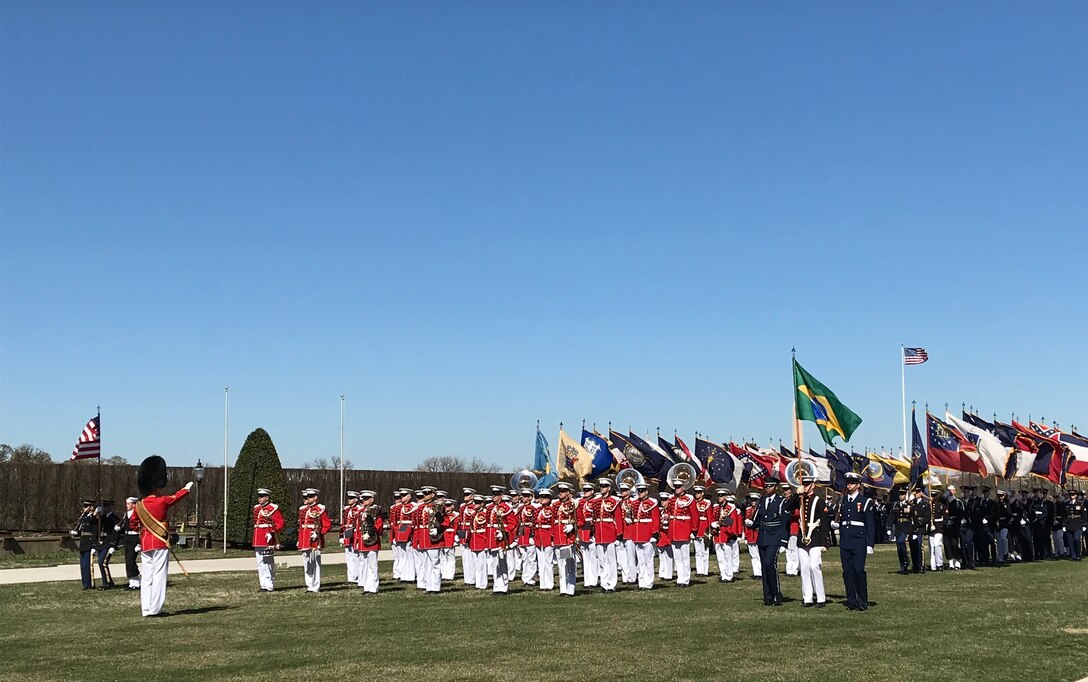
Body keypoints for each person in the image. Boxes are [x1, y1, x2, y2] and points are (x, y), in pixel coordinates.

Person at [134, 455, 192, 617]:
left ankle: (146, 609)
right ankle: (156, 609)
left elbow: (133, 523)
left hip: (145, 543)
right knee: (159, 575)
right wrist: (186, 489)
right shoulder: (161, 501)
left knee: (146, 577)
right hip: (159, 542)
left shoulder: (139, 505)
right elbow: (176, 497)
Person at [831, 472, 876, 612]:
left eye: (852, 483)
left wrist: (870, 544)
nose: (849, 485)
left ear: (858, 485)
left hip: (859, 540)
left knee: (858, 571)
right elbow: (839, 517)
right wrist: (835, 523)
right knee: (847, 572)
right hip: (845, 540)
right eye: (848, 483)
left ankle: (862, 600)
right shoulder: (842, 501)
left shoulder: (865, 502)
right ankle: (851, 600)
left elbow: (870, 524)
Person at [746, 478, 795, 606]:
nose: (768, 488)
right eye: (766, 486)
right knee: (764, 567)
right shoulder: (762, 501)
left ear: (776, 487)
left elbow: (785, 522)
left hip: (775, 536)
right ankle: (767, 596)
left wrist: (784, 542)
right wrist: (751, 524)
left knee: (770, 564)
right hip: (762, 537)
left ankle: (776, 593)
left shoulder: (781, 501)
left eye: (770, 486)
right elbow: (759, 518)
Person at [794, 475, 831, 607]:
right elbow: (787, 507)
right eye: (803, 484)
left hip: (815, 537)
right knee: (804, 568)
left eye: (807, 484)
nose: (805, 486)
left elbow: (825, 522)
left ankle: (821, 597)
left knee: (814, 566)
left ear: (813, 485)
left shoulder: (819, 501)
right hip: (802, 538)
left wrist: (826, 541)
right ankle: (807, 597)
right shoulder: (799, 499)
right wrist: (796, 494)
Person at [297, 488, 332, 593]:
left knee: (315, 562)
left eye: (311, 496)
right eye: (308, 497)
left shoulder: (320, 509)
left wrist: (318, 533)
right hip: (304, 538)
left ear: (315, 497)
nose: (309, 498)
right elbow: (301, 526)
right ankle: (309, 585)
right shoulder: (303, 509)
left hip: (315, 539)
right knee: (306, 562)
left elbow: (327, 525)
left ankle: (315, 586)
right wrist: (299, 539)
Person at [628, 483, 660, 590]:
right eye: (639, 491)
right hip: (637, 535)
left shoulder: (652, 503)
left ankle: (649, 582)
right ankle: (642, 582)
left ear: (647, 492)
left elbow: (656, 519)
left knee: (648, 560)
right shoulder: (635, 503)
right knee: (640, 561)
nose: (640, 493)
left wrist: (654, 534)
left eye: (642, 491)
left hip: (647, 535)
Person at [485, 485, 516, 594]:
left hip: (501, 538)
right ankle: (497, 586)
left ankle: (503, 587)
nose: (494, 496)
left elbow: (513, 523)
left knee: (501, 562)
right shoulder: (489, 507)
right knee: (494, 564)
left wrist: (504, 532)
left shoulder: (506, 507)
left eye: (497, 494)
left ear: (501, 495)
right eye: (493, 494)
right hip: (491, 538)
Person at [252, 488, 285, 592]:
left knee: (268, 562)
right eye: (259, 496)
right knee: (260, 563)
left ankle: (269, 585)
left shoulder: (272, 508)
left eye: (262, 497)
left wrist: (271, 533)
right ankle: (263, 585)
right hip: (258, 537)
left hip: (267, 538)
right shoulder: (257, 508)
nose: (259, 499)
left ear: (267, 498)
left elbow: (280, 523)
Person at [593, 479, 623, 592]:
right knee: (601, 560)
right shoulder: (596, 501)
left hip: (610, 532)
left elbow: (618, 518)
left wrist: (619, 535)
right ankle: (604, 583)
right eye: (601, 486)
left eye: (604, 486)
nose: (602, 488)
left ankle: (612, 584)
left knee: (611, 560)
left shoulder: (614, 501)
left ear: (609, 488)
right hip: (599, 533)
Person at [666, 480, 697, 587]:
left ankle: (686, 579)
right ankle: (680, 578)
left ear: (684, 487)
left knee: (685, 557)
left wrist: (694, 530)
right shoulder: (671, 499)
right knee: (677, 557)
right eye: (675, 486)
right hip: (674, 529)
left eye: (678, 486)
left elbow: (694, 515)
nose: (676, 488)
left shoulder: (689, 499)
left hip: (684, 529)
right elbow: (669, 512)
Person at [354, 490, 384, 593]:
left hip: (372, 540)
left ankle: (373, 588)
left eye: (366, 499)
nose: (364, 501)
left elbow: (379, 524)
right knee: (365, 565)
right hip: (363, 540)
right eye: (363, 499)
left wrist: (370, 533)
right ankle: (367, 587)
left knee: (372, 565)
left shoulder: (376, 510)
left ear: (372, 499)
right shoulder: (362, 511)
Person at [552, 483, 578, 596]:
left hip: (567, 538)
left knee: (569, 565)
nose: (561, 493)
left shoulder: (573, 504)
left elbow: (580, 520)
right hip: (558, 538)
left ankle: (570, 588)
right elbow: (553, 521)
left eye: (563, 491)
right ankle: (563, 589)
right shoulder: (556, 505)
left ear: (568, 493)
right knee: (561, 565)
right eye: (560, 491)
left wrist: (573, 525)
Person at [710, 490, 742, 583]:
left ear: (726, 497)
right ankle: (723, 574)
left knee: (728, 556)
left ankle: (729, 575)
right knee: (720, 557)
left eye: (722, 495)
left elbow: (731, 522)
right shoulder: (716, 507)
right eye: (719, 495)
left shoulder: (731, 507)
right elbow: (713, 518)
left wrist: (722, 523)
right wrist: (713, 524)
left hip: (726, 534)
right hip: (717, 535)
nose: (719, 497)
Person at [70, 499, 99, 590]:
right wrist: (76, 532)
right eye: (84, 506)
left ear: (91, 508)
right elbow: (82, 529)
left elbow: (95, 531)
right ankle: (85, 583)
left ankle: (89, 584)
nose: (84, 508)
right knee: (83, 565)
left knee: (87, 565)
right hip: (83, 542)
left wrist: (94, 545)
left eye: (86, 506)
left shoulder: (94, 518)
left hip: (89, 542)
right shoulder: (85, 518)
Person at [576, 483, 599, 589]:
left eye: (588, 490)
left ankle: (593, 580)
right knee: (585, 557)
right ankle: (587, 580)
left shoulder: (596, 502)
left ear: (592, 491)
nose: (586, 492)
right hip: (582, 530)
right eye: (584, 490)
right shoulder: (579, 502)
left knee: (593, 557)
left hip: (592, 529)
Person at [116, 497, 142, 589]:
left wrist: (139, 543)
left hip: (134, 538)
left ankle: (137, 580)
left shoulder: (138, 514)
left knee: (131, 560)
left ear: (134, 505)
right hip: (127, 538)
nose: (126, 505)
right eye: (126, 504)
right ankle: (132, 582)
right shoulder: (126, 514)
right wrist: (120, 528)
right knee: (128, 561)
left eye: (128, 504)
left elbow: (141, 529)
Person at [534, 489, 556, 591]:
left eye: (545, 497)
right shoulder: (538, 510)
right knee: (541, 561)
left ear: (549, 499)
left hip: (547, 536)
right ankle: (542, 584)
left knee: (548, 561)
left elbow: (553, 524)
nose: (542, 499)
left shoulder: (552, 510)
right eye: (541, 497)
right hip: (539, 537)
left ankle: (549, 583)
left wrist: (552, 537)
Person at [515, 489, 538, 586]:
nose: (523, 498)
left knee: (531, 558)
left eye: (526, 496)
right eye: (523, 496)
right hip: (522, 533)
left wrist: (533, 535)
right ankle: (525, 578)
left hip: (529, 533)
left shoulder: (533, 508)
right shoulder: (520, 508)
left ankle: (531, 578)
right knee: (524, 557)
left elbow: (535, 521)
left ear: (530, 497)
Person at [96, 500, 120, 589]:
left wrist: (113, 544)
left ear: (110, 507)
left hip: (109, 542)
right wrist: (95, 514)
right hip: (102, 542)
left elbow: (116, 533)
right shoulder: (102, 518)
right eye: (103, 506)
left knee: (103, 562)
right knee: (101, 563)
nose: (104, 508)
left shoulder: (115, 519)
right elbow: (96, 526)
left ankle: (107, 583)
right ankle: (106, 582)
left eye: (106, 506)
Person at [618, 483, 638, 585]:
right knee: (622, 557)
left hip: (630, 531)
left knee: (631, 556)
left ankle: (633, 577)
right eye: (622, 490)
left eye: (625, 490)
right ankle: (625, 577)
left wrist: (631, 519)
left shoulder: (633, 502)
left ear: (629, 491)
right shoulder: (619, 502)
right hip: (621, 532)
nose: (623, 492)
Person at [692, 485, 713, 577]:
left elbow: (709, 517)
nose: (697, 494)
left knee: (704, 551)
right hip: (696, 529)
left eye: (698, 492)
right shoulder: (692, 503)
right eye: (696, 493)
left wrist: (709, 531)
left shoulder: (706, 503)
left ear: (702, 493)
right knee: (697, 551)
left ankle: (705, 570)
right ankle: (699, 570)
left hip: (704, 528)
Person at [340, 491, 360, 585]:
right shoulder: (346, 509)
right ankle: (351, 577)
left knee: (356, 555)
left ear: (356, 499)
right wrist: (341, 535)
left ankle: (356, 576)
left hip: (355, 533)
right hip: (347, 533)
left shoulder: (358, 509)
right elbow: (343, 523)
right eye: (349, 498)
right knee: (348, 555)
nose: (349, 500)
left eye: (351, 498)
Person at [908, 488, 928, 573]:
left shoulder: (925, 504)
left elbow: (926, 517)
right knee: (913, 547)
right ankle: (915, 565)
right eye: (915, 492)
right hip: (913, 528)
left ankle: (921, 565)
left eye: (917, 492)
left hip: (920, 528)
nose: (916, 494)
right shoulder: (913, 504)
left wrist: (919, 523)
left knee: (919, 545)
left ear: (921, 493)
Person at [743, 492, 762, 579]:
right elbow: (746, 525)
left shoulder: (760, 509)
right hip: (751, 534)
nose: (753, 502)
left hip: (758, 534)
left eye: (755, 500)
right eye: (752, 500)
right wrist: (746, 536)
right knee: (753, 555)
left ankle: (761, 572)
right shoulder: (748, 509)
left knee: (759, 555)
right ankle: (756, 572)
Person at [1064, 489, 1086, 561]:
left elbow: (1083, 515)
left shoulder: (1080, 504)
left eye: (1073, 495)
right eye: (1070, 495)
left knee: (1077, 539)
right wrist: (1064, 525)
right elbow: (1064, 515)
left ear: (1076, 495)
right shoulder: (1067, 504)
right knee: (1070, 541)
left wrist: (1084, 524)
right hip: (1069, 524)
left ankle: (1078, 554)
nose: (1071, 496)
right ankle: (1073, 556)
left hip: (1077, 524)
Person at [656, 491, 674, 580]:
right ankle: (662, 573)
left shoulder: (671, 510)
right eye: (662, 500)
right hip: (661, 534)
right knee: (661, 555)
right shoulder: (660, 510)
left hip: (667, 534)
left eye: (665, 500)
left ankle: (668, 574)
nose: (663, 501)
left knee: (669, 554)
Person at [928, 487, 946, 571]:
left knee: (937, 545)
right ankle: (933, 565)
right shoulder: (928, 506)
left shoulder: (941, 506)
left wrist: (941, 525)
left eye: (934, 495)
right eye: (932, 495)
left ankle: (939, 564)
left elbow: (946, 518)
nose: (933, 497)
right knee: (931, 547)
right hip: (930, 528)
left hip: (939, 527)